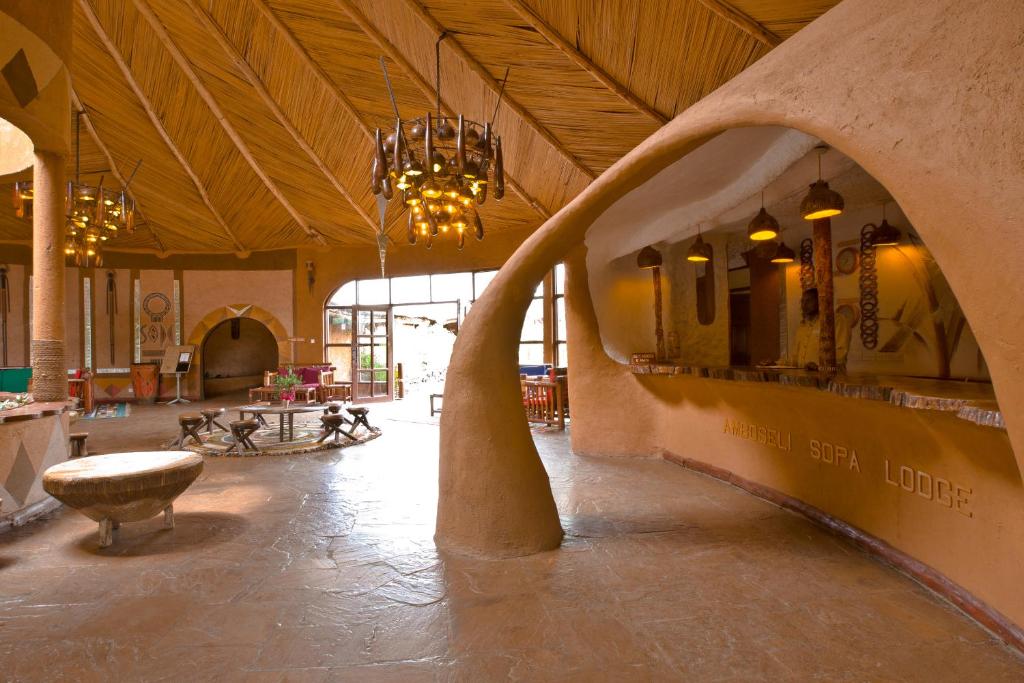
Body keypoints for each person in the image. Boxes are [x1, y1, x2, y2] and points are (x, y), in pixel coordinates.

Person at [788, 288, 851, 370]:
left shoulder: (835, 320)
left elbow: (841, 352)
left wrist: (819, 366)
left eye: (809, 300)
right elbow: (794, 357)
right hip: (804, 376)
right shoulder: (802, 326)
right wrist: (779, 364)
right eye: (802, 301)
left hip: (830, 376)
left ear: (820, 301)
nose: (804, 304)